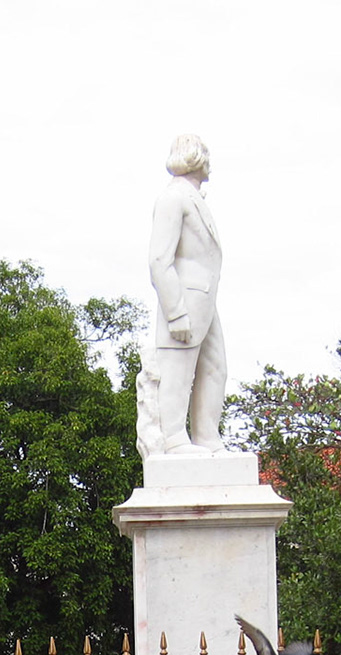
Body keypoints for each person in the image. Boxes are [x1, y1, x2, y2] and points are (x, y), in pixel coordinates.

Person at [139, 133, 226, 456]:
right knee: (177, 370)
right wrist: (175, 311)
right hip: (184, 299)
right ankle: (173, 438)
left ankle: (207, 437)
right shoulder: (172, 198)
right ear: (196, 158)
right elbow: (159, 260)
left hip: (205, 301)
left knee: (215, 368)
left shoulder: (194, 199)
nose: (210, 164)